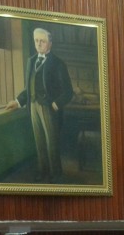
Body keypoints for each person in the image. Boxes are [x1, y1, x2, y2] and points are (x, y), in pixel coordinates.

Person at [4, 27, 73, 183]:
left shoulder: (58, 63)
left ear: (50, 43)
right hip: (33, 106)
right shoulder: (31, 61)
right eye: (36, 41)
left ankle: (56, 175)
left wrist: (56, 104)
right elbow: (29, 88)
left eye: (42, 41)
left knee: (52, 143)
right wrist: (17, 101)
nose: (39, 44)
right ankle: (43, 172)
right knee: (39, 142)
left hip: (49, 107)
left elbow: (69, 91)